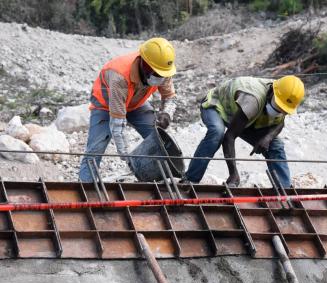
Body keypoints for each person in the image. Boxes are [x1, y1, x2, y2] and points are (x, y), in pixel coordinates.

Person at [79, 37, 177, 182]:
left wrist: (167, 114)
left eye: (162, 74)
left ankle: (160, 178)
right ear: (145, 64)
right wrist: (128, 158)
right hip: (105, 106)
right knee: (95, 150)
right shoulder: (119, 76)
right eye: (156, 74)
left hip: (136, 104)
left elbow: (170, 97)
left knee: (160, 140)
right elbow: (117, 125)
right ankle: (85, 188)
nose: (160, 77)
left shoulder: (163, 69)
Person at [182, 75, 305, 187]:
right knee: (217, 132)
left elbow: (280, 123)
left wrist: (268, 138)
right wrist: (233, 173)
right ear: (271, 92)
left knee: (275, 145)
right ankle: (191, 179)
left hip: (248, 117)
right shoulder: (253, 100)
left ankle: (283, 189)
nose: (279, 110)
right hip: (218, 106)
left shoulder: (284, 97)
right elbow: (229, 137)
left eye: (282, 109)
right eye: (277, 106)